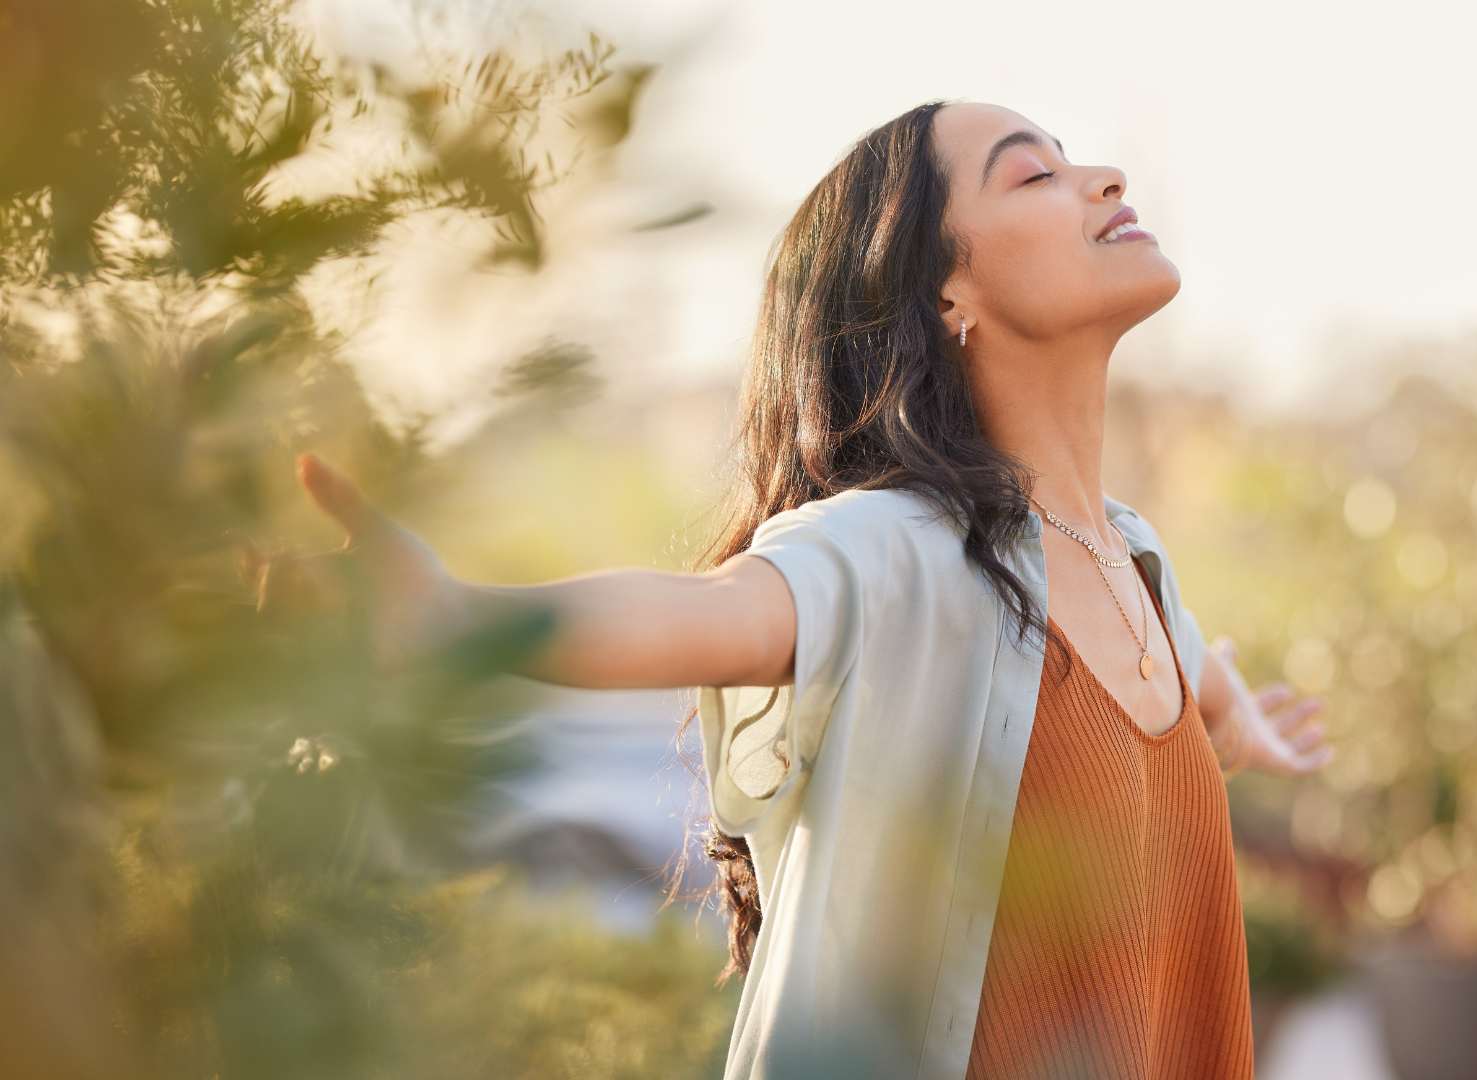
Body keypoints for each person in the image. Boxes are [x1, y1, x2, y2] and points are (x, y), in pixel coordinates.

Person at [296, 101, 1333, 1080]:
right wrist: (459, 620)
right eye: (1035, 175)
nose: (1104, 179)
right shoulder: (902, 549)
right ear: (944, 296)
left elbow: (1178, 677)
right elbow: (715, 614)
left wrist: (1229, 713)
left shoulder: (1137, 565)